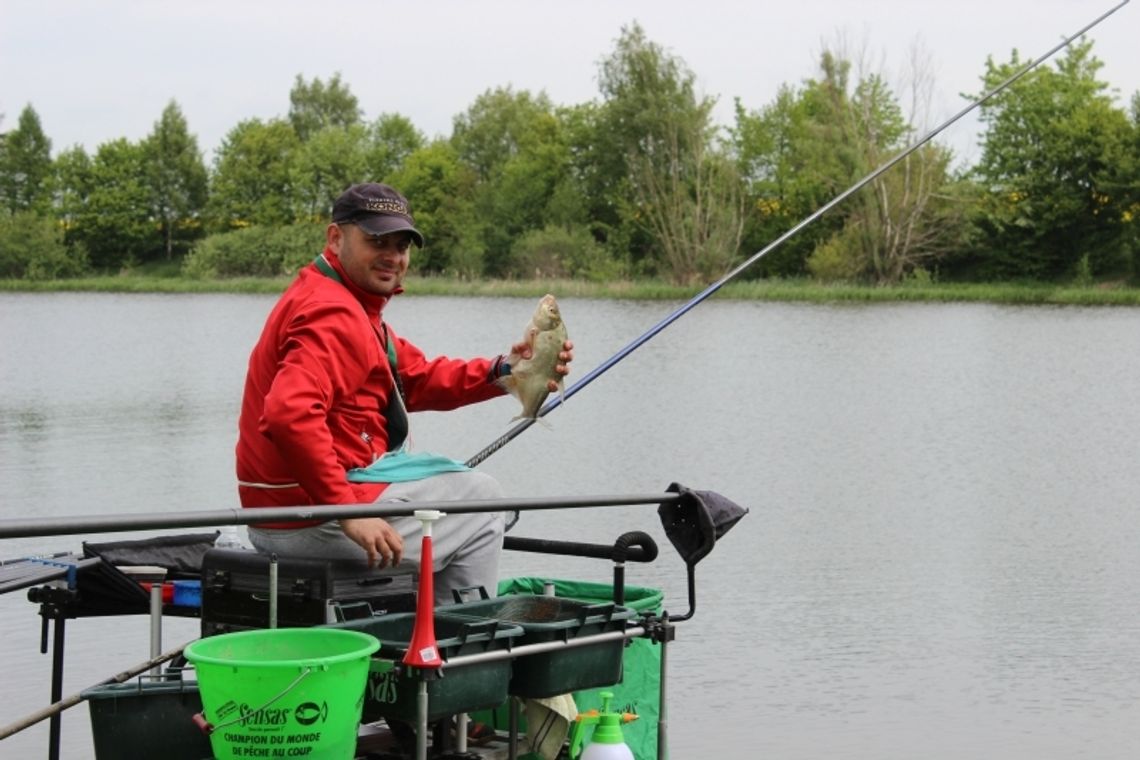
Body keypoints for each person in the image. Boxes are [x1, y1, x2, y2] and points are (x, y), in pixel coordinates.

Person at [235, 182, 573, 604]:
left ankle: (425, 625)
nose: (393, 256)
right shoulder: (331, 313)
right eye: (377, 240)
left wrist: (507, 370)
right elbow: (289, 413)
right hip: (310, 521)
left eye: (402, 245)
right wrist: (350, 512)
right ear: (335, 237)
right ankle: (458, 640)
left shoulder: (346, 304)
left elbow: (413, 378)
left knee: (458, 492)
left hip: (290, 514)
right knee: (483, 502)